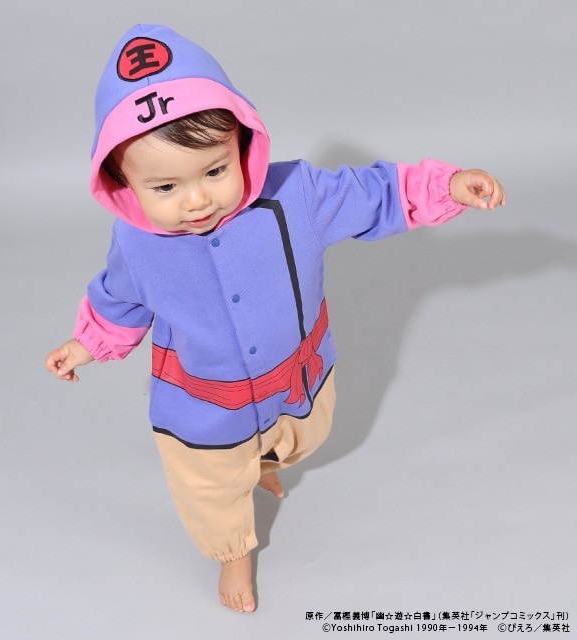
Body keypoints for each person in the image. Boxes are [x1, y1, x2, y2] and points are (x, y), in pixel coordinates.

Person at [45, 24, 505, 613]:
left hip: (295, 376)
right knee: (210, 485)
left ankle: (262, 461)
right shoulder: (137, 243)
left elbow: (373, 194)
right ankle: (234, 551)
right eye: (165, 186)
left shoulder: (295, 195)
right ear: (123, 183)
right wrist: (85, 344)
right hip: (202, 400)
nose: (196, 200)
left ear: (242, 144)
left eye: (215, 171)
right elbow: (120, 298)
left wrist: (447, 186)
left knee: (302, 435)